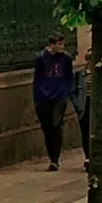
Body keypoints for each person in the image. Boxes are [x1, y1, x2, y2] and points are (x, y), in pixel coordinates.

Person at [32, 36, 78, 171]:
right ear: (51, 45)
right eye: (59, 44)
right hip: (43, 97)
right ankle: (51, 155)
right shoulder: (41, 58)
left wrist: (66, 92)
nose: (62, 47)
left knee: (56, 124)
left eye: (62, 44)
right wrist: (37, 96)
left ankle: (55, 159)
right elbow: (37, 78)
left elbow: (69, 77)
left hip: (59, 96)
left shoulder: (66, 58)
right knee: (47, 128)